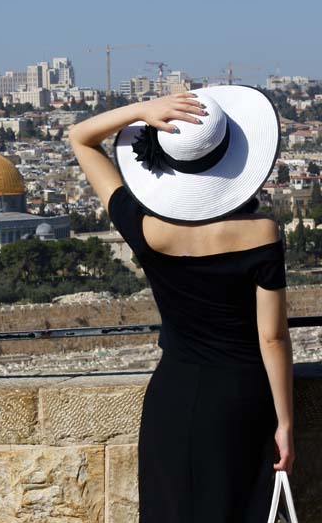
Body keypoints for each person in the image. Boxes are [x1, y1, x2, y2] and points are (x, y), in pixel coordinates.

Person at [68, 86, 294, 522]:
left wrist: (141, 110)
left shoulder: (145, 227)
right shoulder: (262, 233)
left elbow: (80, 137)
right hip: (240, 397)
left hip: (172, 396)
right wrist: (285, 424)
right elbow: (272, 337)